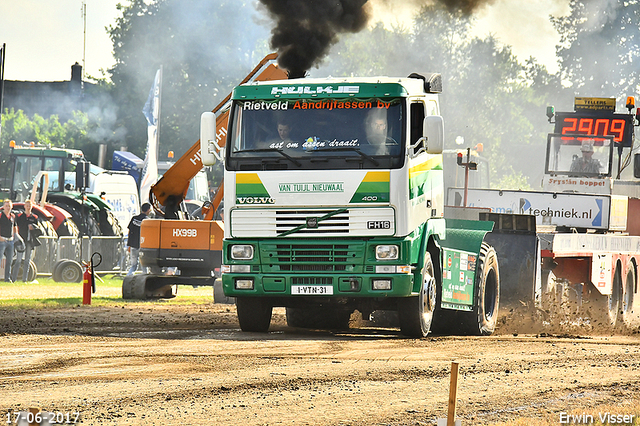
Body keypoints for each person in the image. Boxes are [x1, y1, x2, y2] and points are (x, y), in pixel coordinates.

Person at [14, 199, 38, 282]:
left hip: (29, 241)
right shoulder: (20, 216)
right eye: (27, 206)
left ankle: (25, 279)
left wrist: (33, 229)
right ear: (24, 206)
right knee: (18, 260)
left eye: (30, 206)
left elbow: (38, 230)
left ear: (32, 207)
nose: (28, 207)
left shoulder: (34, 217)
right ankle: (14, 279)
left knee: (27, 260)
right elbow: (15, 227)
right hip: (21, 241)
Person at [127, 202, 151, 276]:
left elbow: (129, 231)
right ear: (148, 210)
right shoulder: (147, 221)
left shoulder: (134, 218)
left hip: (133, 245)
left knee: (133, 266)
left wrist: (129, 244)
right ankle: (145, 281)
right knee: (144, 265)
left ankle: (128, 277)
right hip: (143, 246)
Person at [0, 200, 16, 282]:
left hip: (10, 241)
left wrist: (16, 236)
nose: (8, 207)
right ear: (3, 207)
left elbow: (14, 227)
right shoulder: (0, 215)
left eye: (9, 206)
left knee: (9, 260)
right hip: (2, 240)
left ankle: (7, 278)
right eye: (6, 206)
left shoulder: (12, 216)